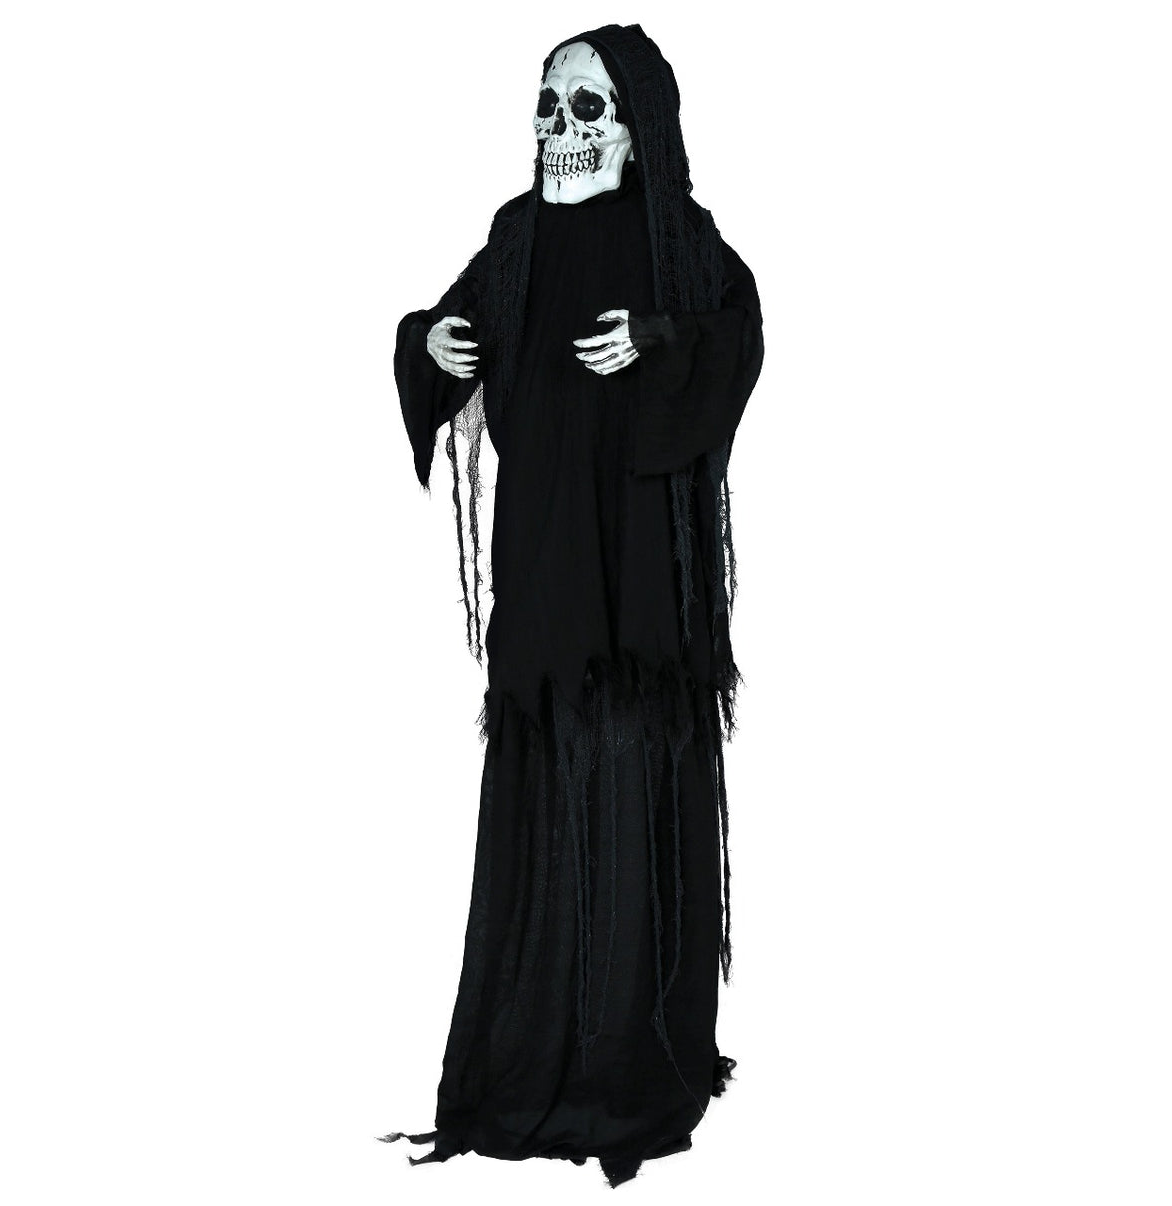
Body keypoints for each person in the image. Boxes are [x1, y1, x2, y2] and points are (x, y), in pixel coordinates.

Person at [379, 23, 764, 1187]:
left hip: (642, 588)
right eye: (548, 106)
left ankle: (631, 1064)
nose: (560, 129)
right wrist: (437, 347)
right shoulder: (517, 237)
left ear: (638, 132)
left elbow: (737, 337)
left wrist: (658, 338)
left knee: (633, 780)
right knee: (548, 786)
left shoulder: (677, 242)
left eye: (587, 108)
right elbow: (444, 332)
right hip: (547, 576)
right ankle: (531, 1049)